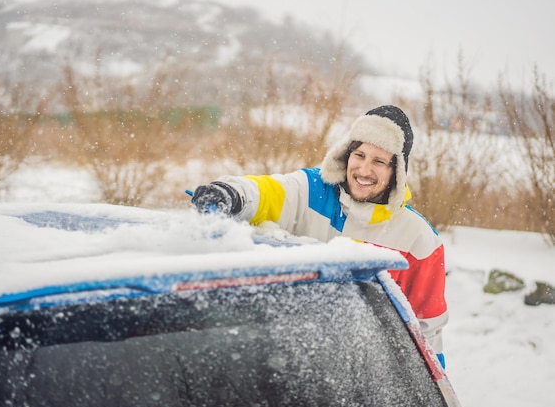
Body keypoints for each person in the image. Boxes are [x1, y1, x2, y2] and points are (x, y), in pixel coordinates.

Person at [190, 105, 448, 367]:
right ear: (347, 154)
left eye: (379, 161)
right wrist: (232, 193)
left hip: (363, 375)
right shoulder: (313, 191)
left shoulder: (419, 238)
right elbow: (268, 191)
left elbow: (427, 332)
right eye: (359, 155)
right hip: (288, 360)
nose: (364, 170)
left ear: (397, 170)